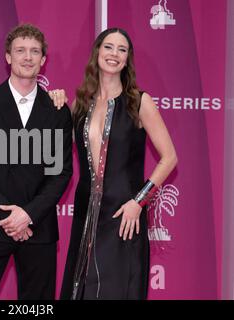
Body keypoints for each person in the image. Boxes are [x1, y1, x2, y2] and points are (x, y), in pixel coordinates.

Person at [60, 28, 178, 300]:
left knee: (118, 290)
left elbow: (170, 157)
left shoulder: (140, 102)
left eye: (121, 49)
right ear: (97, 53)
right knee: (80, 289)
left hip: (124, 215)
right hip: (85, 215)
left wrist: (138, 202)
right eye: (108, 47)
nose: (114, 54)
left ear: (127, 59)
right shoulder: (81, 103)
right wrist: (54, 101)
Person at [0, 24, 73, 300]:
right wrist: (7, 217)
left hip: (39, 227)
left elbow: (61, 173)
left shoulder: (57, 111)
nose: (27, 57)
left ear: (43, 60)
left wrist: (28, 214)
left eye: (35, 51)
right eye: (20, 50)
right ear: (8, 57)